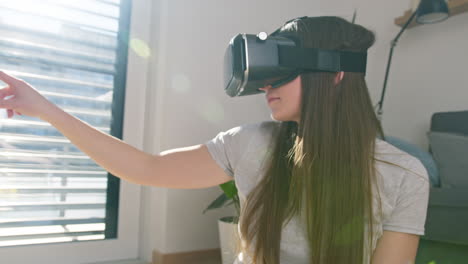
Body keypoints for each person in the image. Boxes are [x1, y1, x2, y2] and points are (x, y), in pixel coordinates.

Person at [0, 16, 429, 264]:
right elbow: (146, 168)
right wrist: (46, 109)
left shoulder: (404, 175)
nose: (265, 87)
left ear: (336, 76)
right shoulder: (251, 143)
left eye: (282, 72)